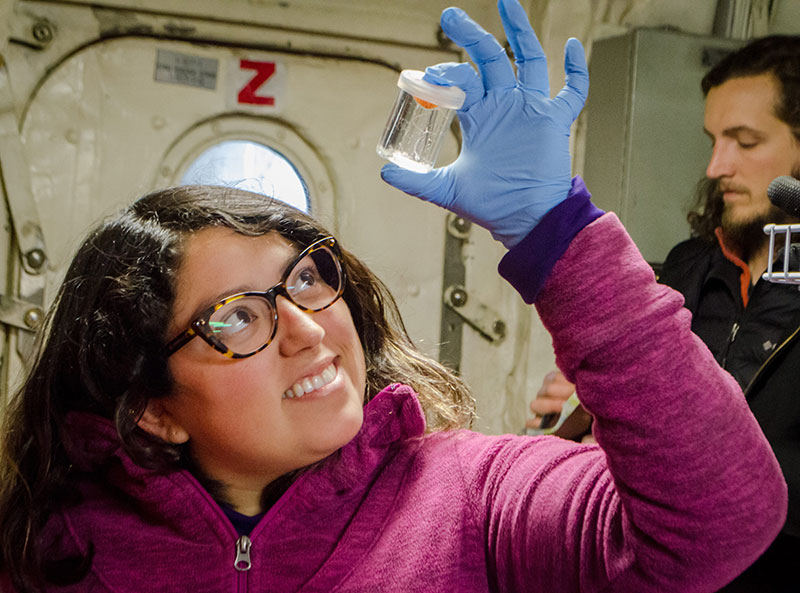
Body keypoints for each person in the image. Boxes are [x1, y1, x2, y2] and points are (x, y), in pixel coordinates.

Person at [0, 1, 787, 591]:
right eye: (237, 315)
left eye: (305, 277)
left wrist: (557, 231)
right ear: (152, 405)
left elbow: (720, 521)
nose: (308, 329)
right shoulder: (53, 548)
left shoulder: (469, 499)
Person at [527, 35, 800, 591]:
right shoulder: (685, 268)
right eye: (715, 140)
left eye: (745, 142)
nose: (718, 165)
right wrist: (592, 409)